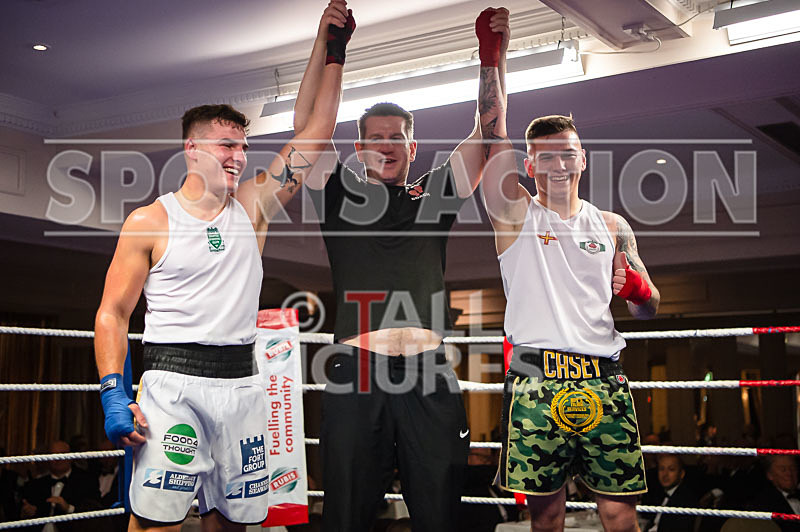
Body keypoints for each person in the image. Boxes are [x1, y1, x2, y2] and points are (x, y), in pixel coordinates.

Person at [92, 3, 351, 531]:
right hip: (171, 386)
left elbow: (316, 131)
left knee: (233, 524)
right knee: (154, 522)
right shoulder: (150, 220)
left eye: (243, 146)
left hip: (241, 384)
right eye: (226, 144)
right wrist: (113, 393)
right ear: (191, 149)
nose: (238, 155)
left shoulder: (255, 207)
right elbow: (113, 314)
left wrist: (331, 47)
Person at [293, 7, 510, 532]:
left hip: (427, 371)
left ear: (413, 147)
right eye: (375, 137)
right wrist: (327, 43)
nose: (385, 145)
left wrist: (493, 58)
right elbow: (306, 129)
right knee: (345, 512)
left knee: (438, 510)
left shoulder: (434, 194)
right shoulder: (338, 193)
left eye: (396, 137)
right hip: (355, 373)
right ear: (359, 148)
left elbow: (488, 131)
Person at [481, 61, 661, 531]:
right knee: (547, 516)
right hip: (536, 378)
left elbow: (648, 309)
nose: (558, 164)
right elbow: (490, 136)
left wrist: (638, 291)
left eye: (567, 154)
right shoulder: (515, 215)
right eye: (545, 156)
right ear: (529, 165)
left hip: (604, 377)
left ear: (583, 159)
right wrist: (492, 58)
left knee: (621, 513)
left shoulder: (612, 225)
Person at [19, 440, 102, 531]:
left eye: (62, 454)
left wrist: (68, 508)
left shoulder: (87, 481)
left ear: (71, 457)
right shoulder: (35, 485)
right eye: (53, 455)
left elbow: (95, 513)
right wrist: (27, 513)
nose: (58, 459)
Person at [641, 454, 700, 532]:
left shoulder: (686, 500)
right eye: (661, 469)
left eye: (671, 469)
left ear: (681, 474)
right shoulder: (656, 493)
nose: (665, 474)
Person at [750, 456, 800, 531]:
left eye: (793, 468)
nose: (789, 473)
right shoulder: (763, 505)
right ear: (770, 475)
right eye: (783, 469)